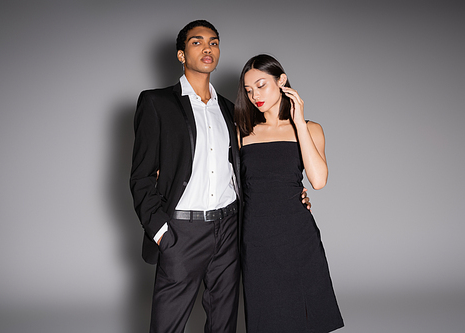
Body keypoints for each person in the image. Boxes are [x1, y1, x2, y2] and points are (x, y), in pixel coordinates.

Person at [130, 21, 310, 333]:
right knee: (167, 326)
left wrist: (293, 193)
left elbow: (252, 167)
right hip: (180, 231)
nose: (207, 48)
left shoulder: (232, 111)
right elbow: (141, 176)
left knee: (223, 324)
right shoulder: (156, 103)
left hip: (229, 228)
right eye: (197, 42)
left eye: (213, 42)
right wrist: (161, 233)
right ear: (181, 55)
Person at [234, 54, 344, 333]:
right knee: (266, 316)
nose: (255, 96)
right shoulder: (242, 132)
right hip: (256, 237)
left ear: (281, 81)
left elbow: (318, 181)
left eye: (261, 85)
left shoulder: (310, 129)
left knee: (306, 317)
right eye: (248, 91)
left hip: (297, 236)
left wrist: (298, 121)